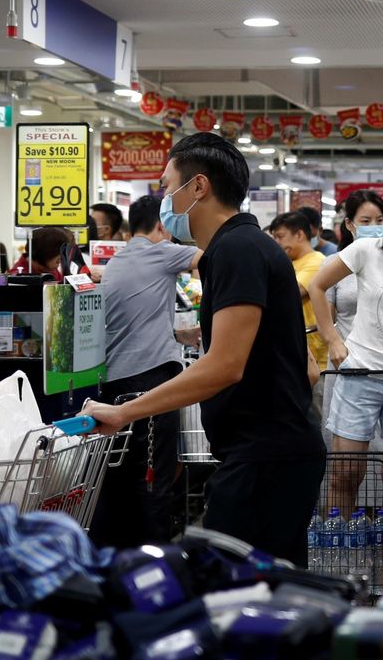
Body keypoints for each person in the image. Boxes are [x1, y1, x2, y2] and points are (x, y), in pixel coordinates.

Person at [82, 132, 326, 567]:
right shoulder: (244, 248)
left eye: (165, 185)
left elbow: (224, 367)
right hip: (272, 452)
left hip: (263, 459)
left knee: (230, 594)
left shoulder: (236, 250)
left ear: (198, 187)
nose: (163, 199)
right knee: (265, 599)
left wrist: (125, 411)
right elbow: (304, 367)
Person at [89, 195, 201, 549]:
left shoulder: (119, 259)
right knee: (154, 480)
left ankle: (119, 561)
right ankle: (157, 562)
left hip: (113, 386)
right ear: (162, 225)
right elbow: (215, 259)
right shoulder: (162, 251)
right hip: (151, 384)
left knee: (120, 479)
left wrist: (179, 334)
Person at [309, 189, 383, 516]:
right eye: (367, 220)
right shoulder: (366, 249)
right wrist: (333, 340)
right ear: (350, 224)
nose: (375, 226)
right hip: (359, 372)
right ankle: (339, 549)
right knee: (345, 472)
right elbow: (317, 286)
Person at [269, 210, 328, 421]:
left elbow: (292, 291)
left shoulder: (316, 262)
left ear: (300, 235)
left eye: (280, 236)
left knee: (317, 420)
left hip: (315, 361)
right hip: (293, 359)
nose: (276, 242)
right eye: (274, 237)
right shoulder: (288, 262)